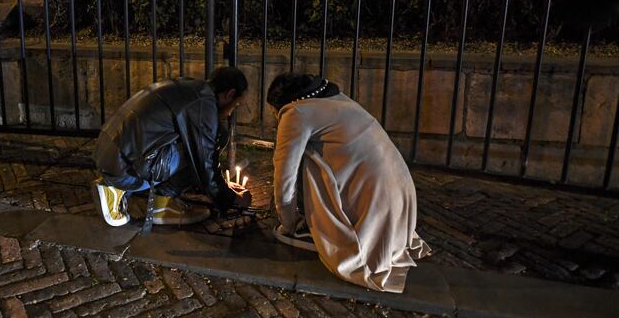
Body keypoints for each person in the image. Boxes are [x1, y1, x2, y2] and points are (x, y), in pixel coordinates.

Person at [266, 72, 431, 293]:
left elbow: (284, 173)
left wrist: (288, 223)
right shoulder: (337, 98)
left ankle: (335, 227)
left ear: (281, 103)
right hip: (401, 197)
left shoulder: (296, 112)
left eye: (273, 111)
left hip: (375, 204)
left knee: (306, 160)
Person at [94, 67, 252, 228]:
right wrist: (230, 198)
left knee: (213, 136)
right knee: (203, 146)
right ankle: (151, 198)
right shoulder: (203, 105)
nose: (231, 112)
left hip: (109, 153)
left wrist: (219, 186)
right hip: (123, 169)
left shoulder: (191, 87)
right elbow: (205, 161)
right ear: (229, 94)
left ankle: (155, 196)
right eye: (236, 105)